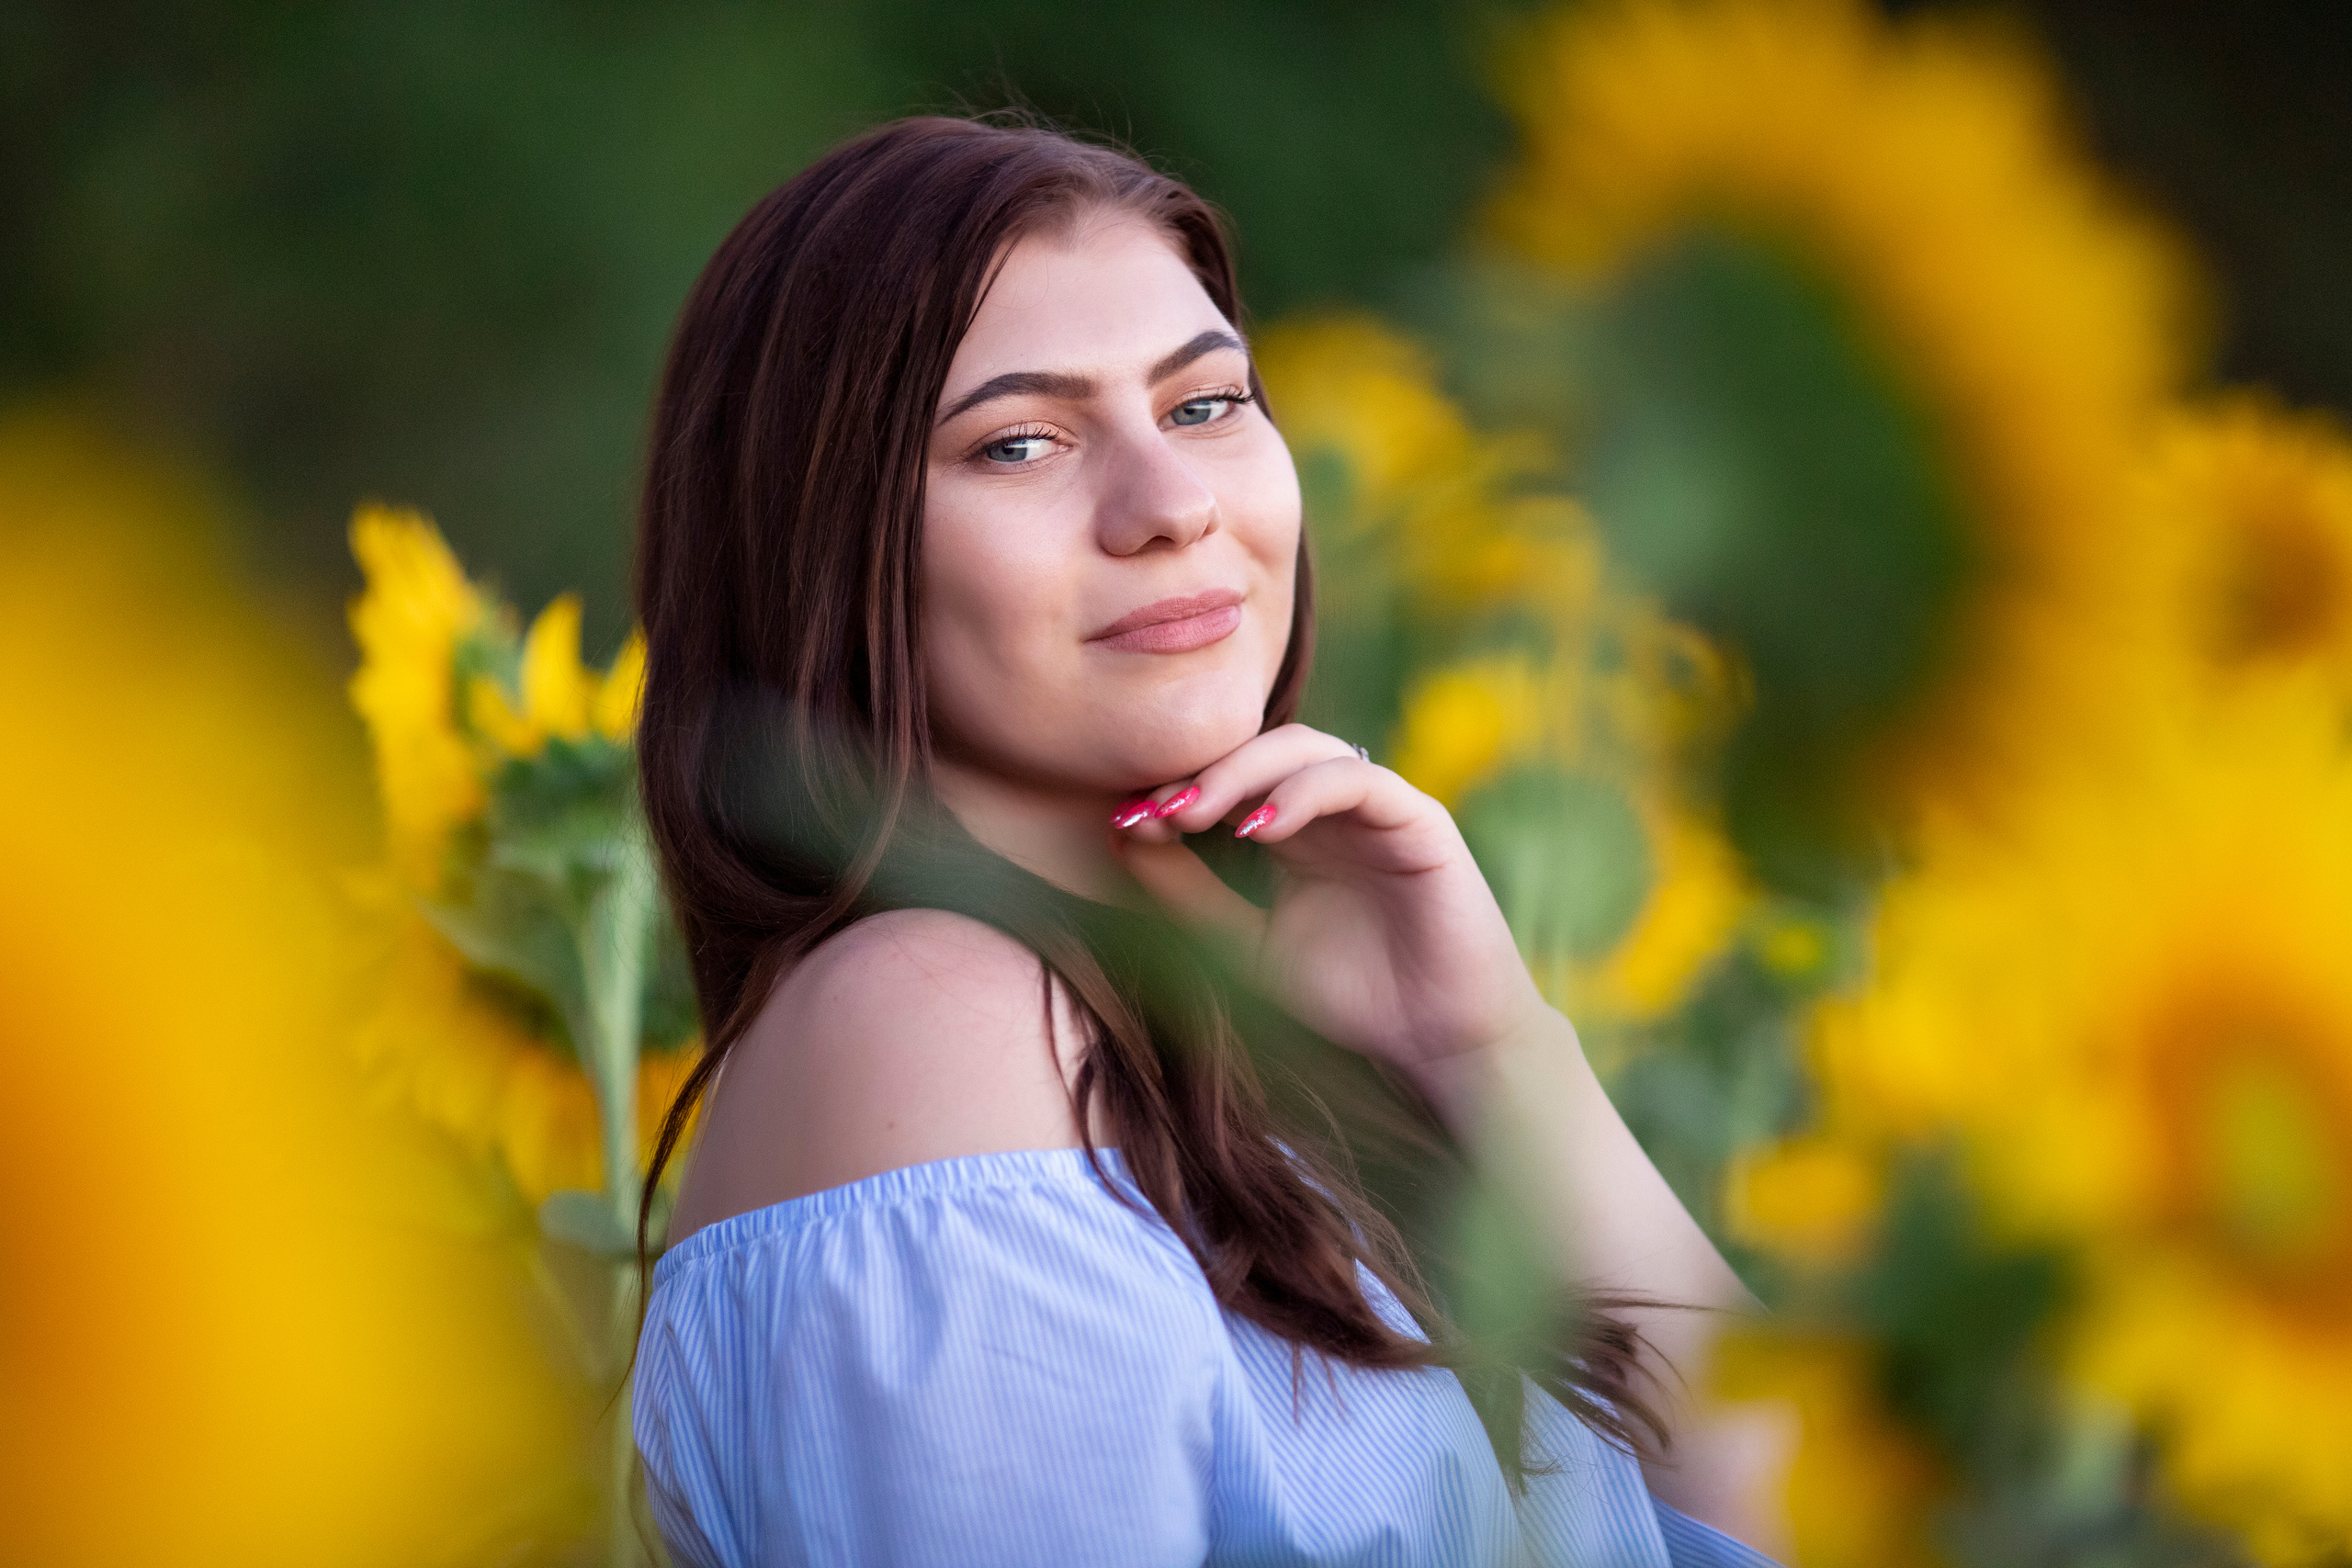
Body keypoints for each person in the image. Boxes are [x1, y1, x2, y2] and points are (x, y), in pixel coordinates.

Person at [628, 115, 1781, 1567]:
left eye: (1206, 405)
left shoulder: (1203, 1055)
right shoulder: (937, 1027)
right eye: (1021, 442)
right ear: (824, 540)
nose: (1171, 508)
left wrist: (1483, 1046)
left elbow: (1815, 1525)